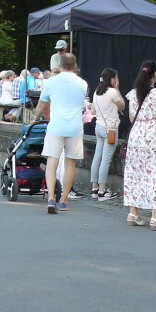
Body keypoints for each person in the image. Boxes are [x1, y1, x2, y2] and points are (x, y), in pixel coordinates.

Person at [32, 53, 87, 214]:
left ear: (60, 65)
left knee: (52, 162)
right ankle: (64, 199)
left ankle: (51, 197)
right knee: (70, 163)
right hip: (75, 127)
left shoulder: (51, 82)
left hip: (56, 127)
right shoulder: (82, 83)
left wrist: (36, 118)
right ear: (75, 65)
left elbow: (42, 104)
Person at [123, 61, 156, 230]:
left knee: (134, 173)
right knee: (154, 174)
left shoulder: (133, 94)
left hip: (136, 135)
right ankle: (155, 217)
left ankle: (133, 212)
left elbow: (131, 118)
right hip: (152, 137)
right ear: (155, 74)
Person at [90, 68, 124, 201]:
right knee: (105, 160)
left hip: (98, 127)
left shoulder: (96, 92)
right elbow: (122, 106)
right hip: (110, 130)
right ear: (112, 79)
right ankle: (102, 191)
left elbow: (93, 111)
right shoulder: (112, 92)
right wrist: (117, 88)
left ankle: (94, 188)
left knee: (97, 157)